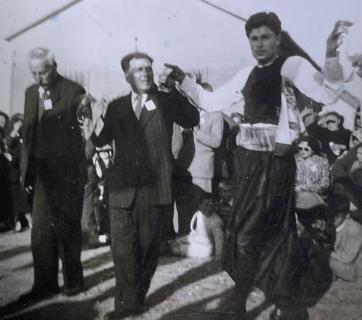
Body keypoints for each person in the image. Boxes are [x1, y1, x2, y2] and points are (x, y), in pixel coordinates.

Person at [163, 12, 347, 319]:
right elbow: (211, 102)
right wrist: (182, 78)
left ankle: (270, 304)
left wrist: (330, 53)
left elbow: (327, 91)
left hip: (275, 162)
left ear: (277, 38)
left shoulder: (291, 66)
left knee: (264, 231)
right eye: (254, 38)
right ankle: (264, 303)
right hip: (248, 163)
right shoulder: (247, 73)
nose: (259, 44)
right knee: (245, 232)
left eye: (265, 37)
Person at [88, 51, 199, 319]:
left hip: (155, 189)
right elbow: (100, 139)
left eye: (148, 68)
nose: (145, 73)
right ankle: (126, 306)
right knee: (123, 252)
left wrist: (174, 91)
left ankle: (134, 298)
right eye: (139, 69)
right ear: (128, 75)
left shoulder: (165, 101)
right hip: (122, 191)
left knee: (149, 250)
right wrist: (93, 117)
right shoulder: (116, 107)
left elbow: (192, 119)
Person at [20, 47, 87, 301]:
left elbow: (83, 133)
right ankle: (45, 285)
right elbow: (28, 134)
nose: (39, 78)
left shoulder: (73, 92)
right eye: (34, 73)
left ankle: (74, 281)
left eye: (43, 72)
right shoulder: (30, 94)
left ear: (54, 66)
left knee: (66, 229)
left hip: (66, 174)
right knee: (40, 232)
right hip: (40, 174)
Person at [169, 192, 224, 259]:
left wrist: (219, 254)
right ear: (200, 205)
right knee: (174, 242)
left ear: (214, 206)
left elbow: (219, 239)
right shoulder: (199, 214)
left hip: (205, 248)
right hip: (196, 239)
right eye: (205, 205)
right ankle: (169, 246)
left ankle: (172, 249)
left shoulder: (215, 221)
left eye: (210, 205)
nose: (208, 208)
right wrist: (179, 240)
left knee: (175, 249)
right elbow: (194, 232)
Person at [295, 137, 330, 235]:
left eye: (306, 149)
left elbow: (325, 184)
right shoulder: (294, 161)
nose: (302, 151)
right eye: (300, 148)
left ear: (313, 149)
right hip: (297, 195)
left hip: (316, 195)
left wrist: (306, 188)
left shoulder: (322, 162)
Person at [329, 197, 362, 282]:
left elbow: (347, 258)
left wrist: (326, 253)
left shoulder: (354, 229)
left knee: (323, 258)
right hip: (342, 264)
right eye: (331, 215)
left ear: (347, 215)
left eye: (337, 216)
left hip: (354, 270)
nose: (333, 220)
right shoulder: (337, 224)